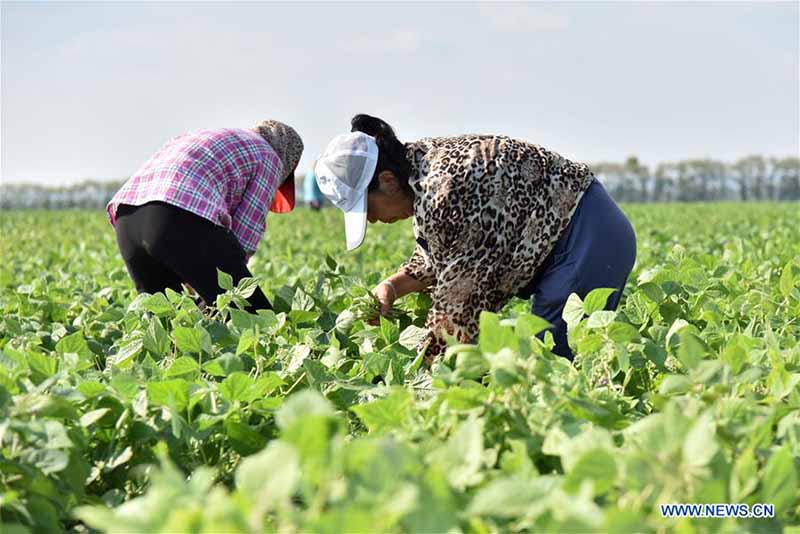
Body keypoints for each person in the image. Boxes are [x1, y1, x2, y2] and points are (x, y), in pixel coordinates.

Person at [315, 114, 636, 363]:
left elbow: (457, 313)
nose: (371, 219)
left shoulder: (443, 192)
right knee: (541, 366)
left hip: (585, 239)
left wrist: (419, 382)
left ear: (387, 181)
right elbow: (438, 254)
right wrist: (392, 287)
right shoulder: (420, 166)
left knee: (552, 368)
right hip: (575, 235)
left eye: (367, 208)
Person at [106, 120, 303, 312]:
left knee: (169, 322)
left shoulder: (213, 137)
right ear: (287, 160)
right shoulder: (269, 156)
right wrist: (223, 281)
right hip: (176, 215)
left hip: (127, 219)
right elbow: (245, 233)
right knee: (255, 316)